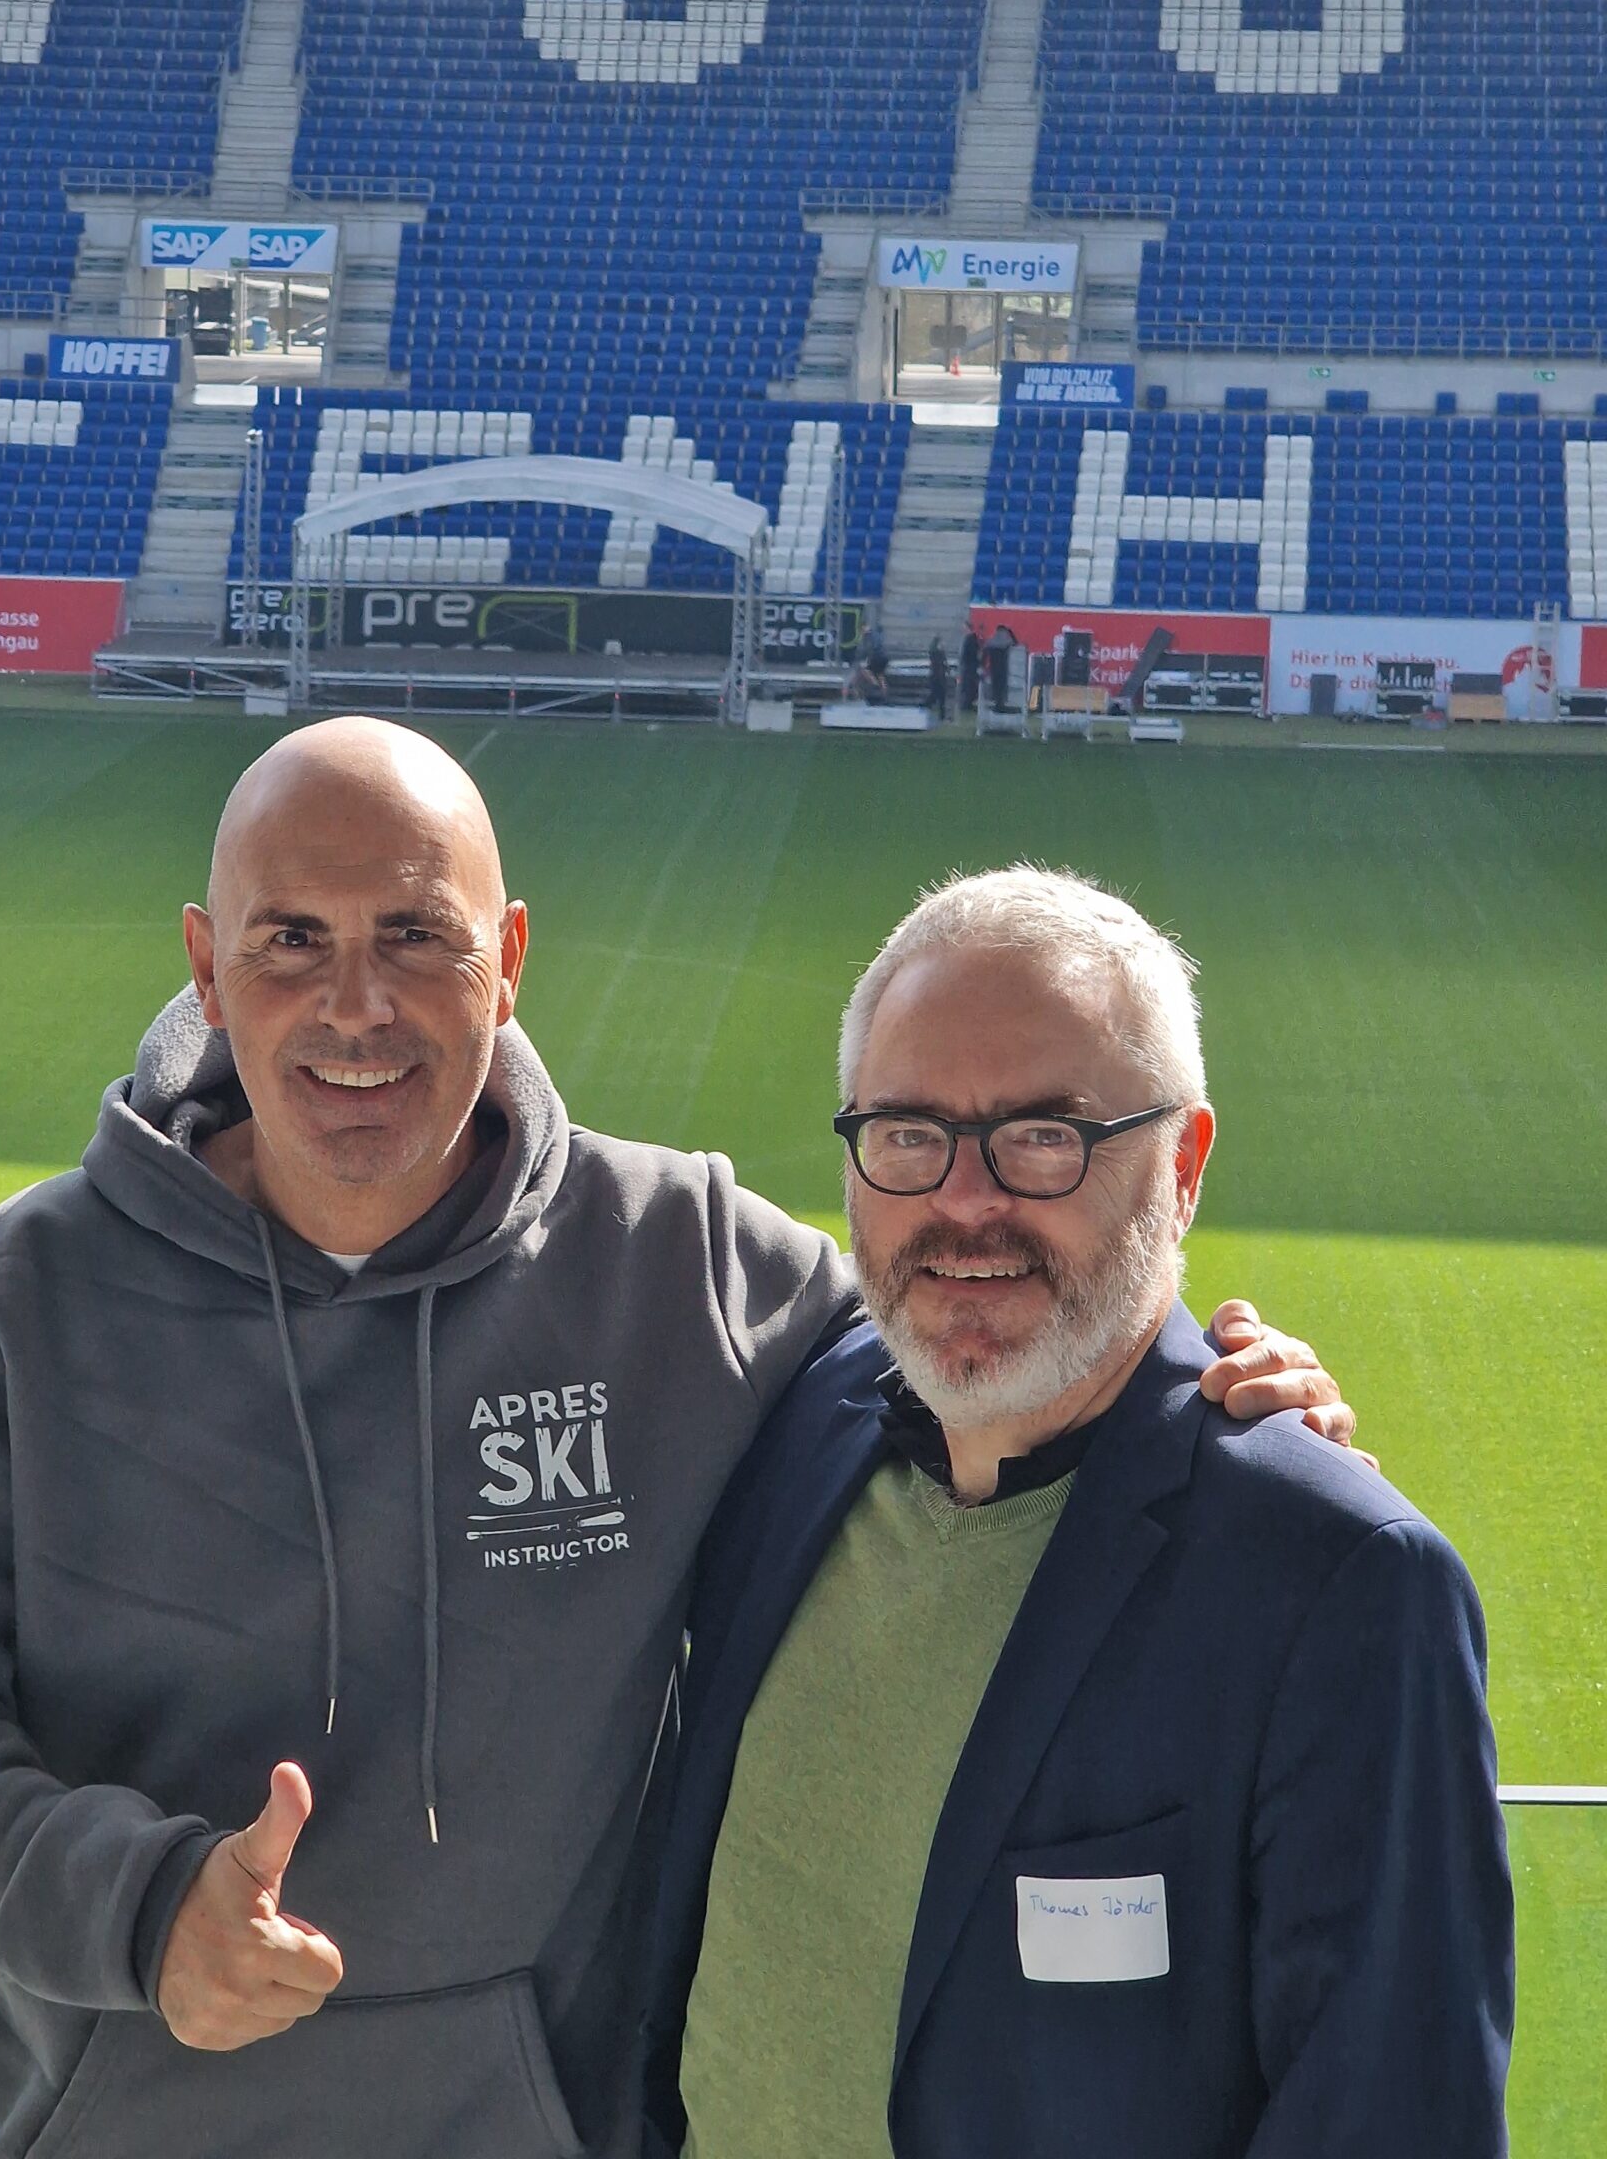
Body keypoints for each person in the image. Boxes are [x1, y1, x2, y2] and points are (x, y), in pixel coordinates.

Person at [0, 727, 1354, 2159]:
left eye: (419, 936)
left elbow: (977, 1335)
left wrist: (1203, 1387)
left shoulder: (685, 1267)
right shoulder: (21, 1302)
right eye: (293, 941)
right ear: (208, 968)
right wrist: (133, 1908)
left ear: (512, 962)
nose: (357, 1006)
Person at [644, 867, 1512, 2159]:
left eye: (1045, 1136)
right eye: (908, 1134)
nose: (965, 1201)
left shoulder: (1338, 1584)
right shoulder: (793, 1423)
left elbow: (1393, 2119)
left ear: (1184, 1164)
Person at [957, 621, 981, 715]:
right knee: (968, 686)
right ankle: (967, 704)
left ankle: (966, 705)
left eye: (964, 627)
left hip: (968, 667)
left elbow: (967, 654)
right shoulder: (973, 639)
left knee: (967, 686)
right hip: (970, 667)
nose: (963, 629)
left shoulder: (969, 639)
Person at [925, 638, 950, 720]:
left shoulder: (940, 653)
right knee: (937, 696)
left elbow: (944, 664)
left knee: (939, 696)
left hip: (939, 677)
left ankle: (941, 715)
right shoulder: (935, 654)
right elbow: (939, 665)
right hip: (937, 677)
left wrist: (947, 669)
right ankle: (940, 714)